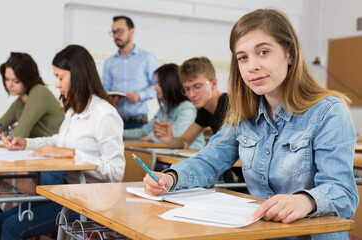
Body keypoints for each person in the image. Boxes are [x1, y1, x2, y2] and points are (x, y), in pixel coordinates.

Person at [143, 9, 359, 240]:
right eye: (242, 57)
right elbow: (209, 159)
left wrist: (305, 200)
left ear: (290, 54)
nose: (251, 66)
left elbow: (343, 193)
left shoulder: (328, 111)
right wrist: (172, 177)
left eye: (263, 52)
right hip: (259, 233)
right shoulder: (242, 112)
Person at [0, 45, 125, 240]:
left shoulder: (104, 114)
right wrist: (26, 143)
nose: (56, 84)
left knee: (12, 227)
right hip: (66, 194)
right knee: (1, 219)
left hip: (90, 201)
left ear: (78, 75)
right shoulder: (73, 110)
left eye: (60, 77)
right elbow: (58, 141)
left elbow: (116, 172)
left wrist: (73, 155)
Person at [154, 57, 242, 183]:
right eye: (187, 89)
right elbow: (184, 141)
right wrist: (170, 139)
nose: (192, 94)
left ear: (214, 83)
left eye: (197, 86)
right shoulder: (203, 111)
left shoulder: (230, 105)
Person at [123, 63, 205, 150]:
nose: (155, 88)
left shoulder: (187, 107)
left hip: (189, 156)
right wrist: (119, 132)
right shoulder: (164, 108)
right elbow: (144, 131)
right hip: (169, 154)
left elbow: (176, 134)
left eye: (158, 83)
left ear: (170, 83)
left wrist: (151, 137)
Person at [0, 52, 64, 139]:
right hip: (40, 149)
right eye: (7, 79)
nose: (9, 85)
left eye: (15, 81)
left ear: (27, 79)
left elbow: (20, 134)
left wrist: (6, 135)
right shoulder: (20, 102)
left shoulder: (39, 92)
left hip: (56, 149)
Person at [103, 15, 158, 129]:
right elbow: (104, 89)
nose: (116, 36)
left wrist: (139, 96)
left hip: (139, 121)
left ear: (131, 31)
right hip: (115, 120)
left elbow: (157, 87)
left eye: (120, 31)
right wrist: (111, 98)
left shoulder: (147, 58)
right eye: (113, 32)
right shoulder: (109, 62)